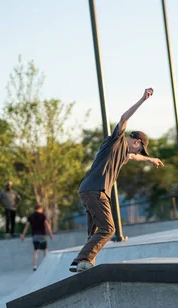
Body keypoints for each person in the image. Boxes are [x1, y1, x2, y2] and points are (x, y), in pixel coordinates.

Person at [70, 88, 164, 273]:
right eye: (139, 149)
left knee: (95, 231)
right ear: (136, 142)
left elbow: (133, 158)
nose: (137, 153)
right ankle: (82, 258)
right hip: (96, 190)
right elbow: (123, 118)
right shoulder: (117, 140)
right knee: (109, 228)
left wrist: (150, 159)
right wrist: (142, 99)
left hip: (88, 190)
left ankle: (82, 264)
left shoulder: (122, 154)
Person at [20, 204, 54, 271]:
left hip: (35, 236)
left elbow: (26, 227)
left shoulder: (30, 216)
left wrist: (23, 235)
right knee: (45, 250)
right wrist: (51, 234)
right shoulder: (42, 215)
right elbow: (47, 225)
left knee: (36, 251)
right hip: (42, 235)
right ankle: (46, 264)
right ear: (40, 209)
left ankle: (35, 266)